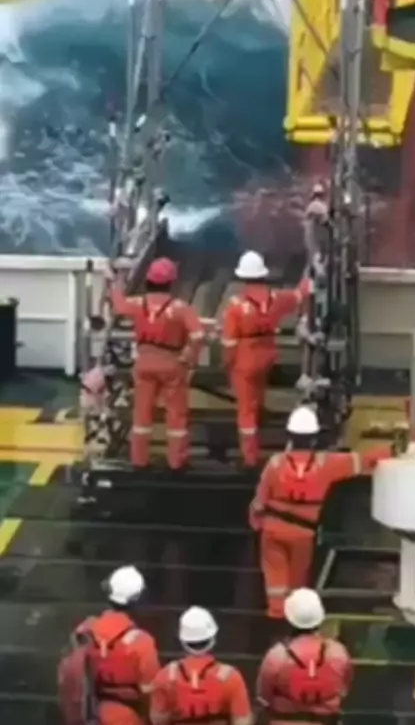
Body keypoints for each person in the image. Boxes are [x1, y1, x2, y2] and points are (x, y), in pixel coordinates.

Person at [249, 405, 394, 618]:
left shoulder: (275, 463)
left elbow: (259, 502)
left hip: (273, 530)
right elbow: (362, 461)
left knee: (275, 578)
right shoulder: (326, 463)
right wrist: (394, 451)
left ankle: (276, 614)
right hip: (303, 532)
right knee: (298, 582)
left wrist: (257, 522)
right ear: (314, 438)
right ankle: (296, 617)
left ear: (289, 436)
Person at [109, 257, 205, 469]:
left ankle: (139, 460)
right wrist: (188, 358)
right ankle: (176, 462)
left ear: (148, 280)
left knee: (141, 415)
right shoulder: (180, 308)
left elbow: (118, 305)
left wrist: (117, 280)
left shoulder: (138, 304)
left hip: (144, 363)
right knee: (176, 415)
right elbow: (198, 335)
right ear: (172, 282)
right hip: (172, 363)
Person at [221, 251, 311, 467]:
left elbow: (229, 343)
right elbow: (300, 295)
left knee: (246, 411)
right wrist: (311, 276)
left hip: (245, 358)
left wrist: (227, 364)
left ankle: (250, 458)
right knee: (257, 395)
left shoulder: (235, 306)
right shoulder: (277, 298)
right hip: (267, 354)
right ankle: (259, 420)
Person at [58, 565, 160, 725]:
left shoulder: (85, 630)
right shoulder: (141, 642)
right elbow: (152, 696)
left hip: (88, 717)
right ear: (138, 600)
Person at [256, 588, 352, 723]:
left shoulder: (276, 656)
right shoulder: (338, 653)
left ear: (289, 618)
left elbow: (264, 696)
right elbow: (344, 688)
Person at [151, 606, 252, 725]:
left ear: (183, 640)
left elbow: (157, 720)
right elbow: (242, 722)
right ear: (213, 639)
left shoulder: (165, 676)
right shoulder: (231, 677)